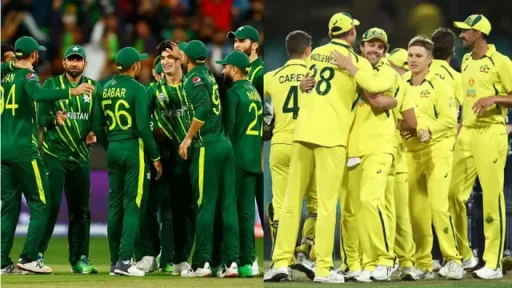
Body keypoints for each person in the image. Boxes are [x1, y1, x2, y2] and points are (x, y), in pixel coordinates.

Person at [266, 13, 394, 284]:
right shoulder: (356, 61)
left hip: (302, 135)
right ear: (351, 35)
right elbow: (377, 85)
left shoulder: (315, 55)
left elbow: (307, 84)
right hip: (332, 139)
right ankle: (323, 269)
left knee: (290, 203)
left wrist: (302, 85)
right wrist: (352, 69)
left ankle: (279, 264)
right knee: (326, 206)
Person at [1, 36, 95, 274]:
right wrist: (71, 92)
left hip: (3, 150)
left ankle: (2, 261)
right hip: (24, 149)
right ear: (34, 56)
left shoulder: (4, 76)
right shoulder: (30, 76)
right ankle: (30, 257)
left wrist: (10, 65)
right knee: (43, 205)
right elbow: (38, 95)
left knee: (9, 208)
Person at [331, 27, 402, 282]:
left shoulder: (387, 72)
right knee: (351, 210)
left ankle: (386, 259)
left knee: (371, 200)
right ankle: (357, 263)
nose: (375, 49)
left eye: (380, 46)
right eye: (370, 45)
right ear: (361, 47)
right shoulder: (356, 68)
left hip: (379, 147)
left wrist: (352, 70)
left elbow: (377, 99)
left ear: (384, 51)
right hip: (351, 147)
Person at [450, 14, 512, 280]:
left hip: (491, 133)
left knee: (491, 198)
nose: (461, 35)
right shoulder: (465, 60)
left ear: (479, 34)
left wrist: (494, 98)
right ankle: (467, 255)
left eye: (466, 31)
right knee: (451, 194)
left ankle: (494, 263)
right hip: (468, 134)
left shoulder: (501, 62)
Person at [170, 40, 240, 277]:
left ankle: (201, 263)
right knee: (227, 205)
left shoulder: (194, 80)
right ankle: (230, 263)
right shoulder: (209, 75)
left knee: (205, 206)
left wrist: (188, 139)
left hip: (207, 147)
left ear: (187, 59)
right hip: (224, 145)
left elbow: (202, 109)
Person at [93, 46, 162, 277]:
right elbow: (143, 126)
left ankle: (115, 262)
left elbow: (96, 125)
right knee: (133, 205)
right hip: (133, 149)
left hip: (113, 148)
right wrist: (155, 156)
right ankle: (124, 260)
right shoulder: (138, 89)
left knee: (115, 207)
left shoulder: (102, 88)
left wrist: (109, 143)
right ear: (135, 66)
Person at [402, 36, 463, 280]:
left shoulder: (440, 85)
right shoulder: (401, 83)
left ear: (430, 59)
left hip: (438, 149)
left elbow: (450, 121)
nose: (413, 59)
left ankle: (453, 259)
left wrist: (428, 128)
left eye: (418, 56)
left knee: (438, 206)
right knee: (416, 213)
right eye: (410, 55)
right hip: (410, 151)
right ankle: (424, 264)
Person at [36, 45, 100, 274]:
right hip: (54, 156)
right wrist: (55, 120)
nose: (74, 63)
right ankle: (37, 255)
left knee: (81, 210)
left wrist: (94, 134)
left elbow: (98, 120)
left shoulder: (94, 87)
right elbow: (41, 117)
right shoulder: (52, 85)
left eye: (78, 60)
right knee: (49, 207)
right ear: (63, 63)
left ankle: (80, 259)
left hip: (81, 158)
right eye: (70, 60)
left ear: (85, 64)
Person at [263, 30, 317, 280]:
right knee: (315, 204)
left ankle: (281, 263)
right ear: (308, 50)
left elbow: (262, 111)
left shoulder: (271, 77)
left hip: (280, 144)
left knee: (282, 206)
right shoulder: (316, 76)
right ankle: (305, 253)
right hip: (309, 143)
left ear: (288, 50)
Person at [146, 40, 196, 276]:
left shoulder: (192, 86)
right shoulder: (153, 91)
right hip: (165, 157)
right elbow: (143, 122)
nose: (165, 61)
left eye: (170, 57)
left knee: (187, 209)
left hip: (192, 155)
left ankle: (182, 259)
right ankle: (162, 256)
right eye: (162, 58)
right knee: (167, 209)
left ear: (181, 60)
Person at [217, 51, 262, 278]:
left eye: (225, 67)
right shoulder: (254, 92)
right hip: (253, 159)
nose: (223, 70)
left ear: (234, 69)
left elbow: (230, 128)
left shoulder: (233, 93)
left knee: (230, 212)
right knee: (246, 215)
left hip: (235, 158)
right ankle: (246, 263)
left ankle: (230, 262)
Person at [228, 25, 264, 275]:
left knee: (258, 208)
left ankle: (244, 260)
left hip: (254, 153)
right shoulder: (250, 80)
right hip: (253, 153)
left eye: (242, 41)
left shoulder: (261, 73)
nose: (237, 44)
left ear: (255, 45)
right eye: (235, 41)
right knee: (248, 210)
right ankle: (249, 260)